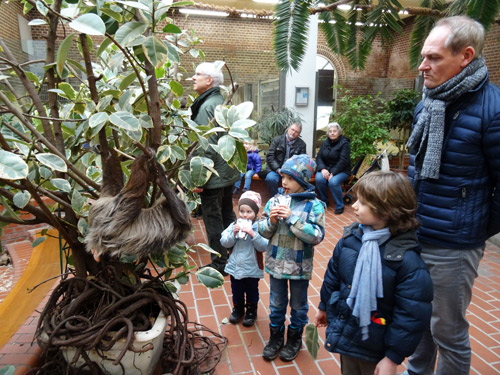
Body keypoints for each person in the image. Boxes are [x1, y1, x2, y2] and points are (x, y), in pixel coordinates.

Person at [405, 16, 500, 375]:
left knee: (448, 331)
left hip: (455, 246)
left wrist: (472, 230)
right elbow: (417, 169)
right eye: (423, 56)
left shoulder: (493, 110)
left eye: (433, 57)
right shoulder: (429, 102)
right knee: (418, 320)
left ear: (466, 56)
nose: (422, 65)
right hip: (418, 232)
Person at [314, 171, 433, 375]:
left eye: (363, 202)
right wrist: (324, 306)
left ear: (386, 210)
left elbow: (411, 315)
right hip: (348, 331)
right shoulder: (351, 238)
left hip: (377, 343)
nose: (354, 205)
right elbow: (333, 276)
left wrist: (392, 358)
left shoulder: (406, 260)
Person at [258, 154, 325, 362]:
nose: (283, 182)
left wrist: (291, 218)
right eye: (282, 177)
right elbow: (262, 231)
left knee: (298, 305)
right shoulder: (275, 201)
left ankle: (294, 338)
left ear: (303, 181)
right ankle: (275, 337)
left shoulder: (315, 206)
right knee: (276, 303)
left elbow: (316, 236)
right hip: (276, 264)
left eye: (289, 178)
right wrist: (271, 221)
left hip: (299, 267)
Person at [191, 62, 240, 276]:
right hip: (227, 171)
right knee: (227, 213)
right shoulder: (221, 101)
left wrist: (199, 178)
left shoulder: (206, 106)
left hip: (212, 175)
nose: (193, 78)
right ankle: (238, 253)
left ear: (209, 80)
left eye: (197, 75)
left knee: (213, 219)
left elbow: (206, 145)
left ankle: (219, 264)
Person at [220, 191, 268, 327]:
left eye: (249, 212)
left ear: (256, 212)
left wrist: (253, 234)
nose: (245, 215)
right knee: (236, 290)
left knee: (252, 290)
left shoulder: (259, 227)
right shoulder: (233, 225)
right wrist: (233, 234)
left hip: (252, 267)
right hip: (235, 267)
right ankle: (238, 309)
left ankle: (251, 311)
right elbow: (224, 242)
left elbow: (264, 246)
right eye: (242, 211)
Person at [315, 122, 351, 214]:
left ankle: (340, 205)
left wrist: (333, 173)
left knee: (333, 181)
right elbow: (319, 157)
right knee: (319, 179)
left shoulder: (344, 143)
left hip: (342, 170)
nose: (332, 133)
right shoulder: (325, 142)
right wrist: (323, 169)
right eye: (330, 131)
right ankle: (324, 201)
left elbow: (343, 161)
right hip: (326, 168)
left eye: (334, 131)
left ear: (339, 132)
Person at [263, 122, 307, 198]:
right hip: (276, 169)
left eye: (296, 132)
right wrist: (277, 169)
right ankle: (275, 198)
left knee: (296, 181)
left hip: (292, 172)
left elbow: (301, 161)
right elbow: (270, 156)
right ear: (288, 129)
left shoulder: (302, 144)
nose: (293, 133)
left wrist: (292, 171)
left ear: (299, 134)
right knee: (270, 178)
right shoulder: (277, 140)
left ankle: (289, 199)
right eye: (292, 129)